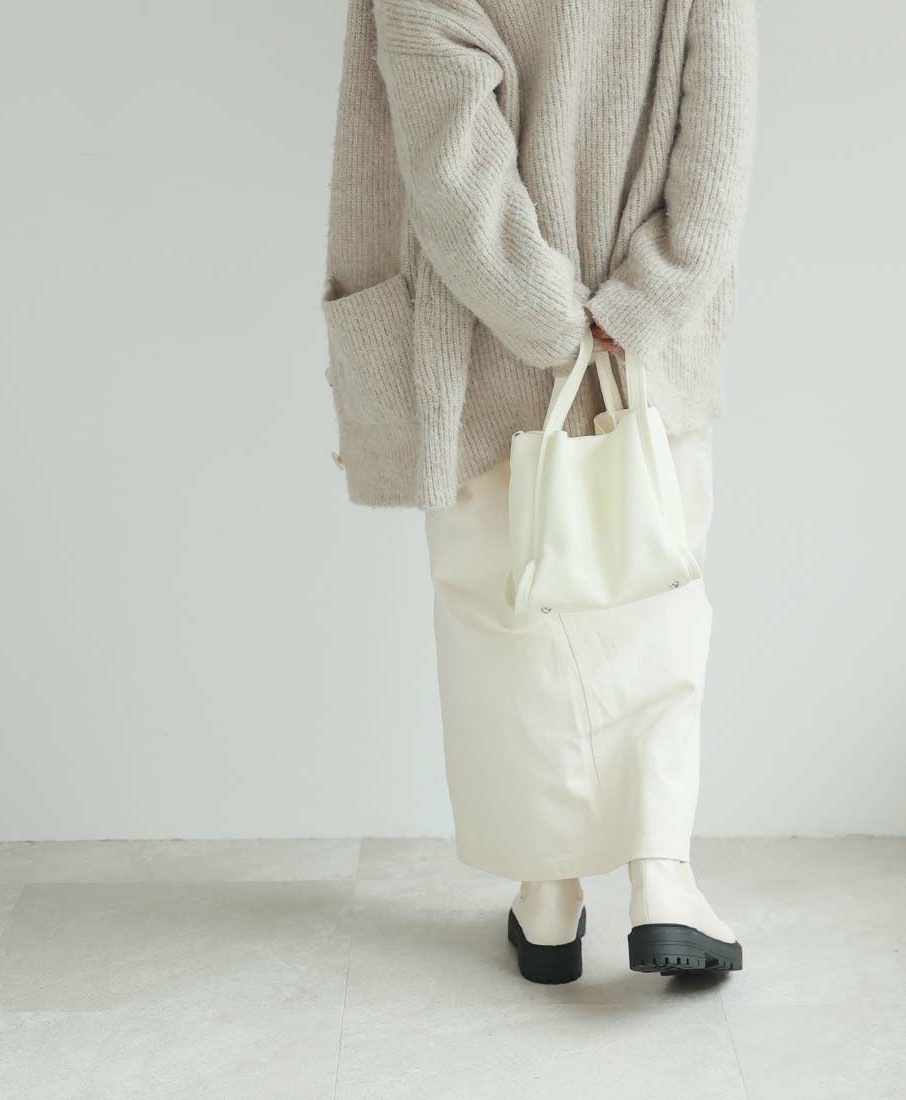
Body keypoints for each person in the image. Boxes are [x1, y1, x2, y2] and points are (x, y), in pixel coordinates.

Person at [322, 0, 758, 984]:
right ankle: (663, 876)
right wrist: (636, 306)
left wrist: (549, 318)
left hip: (480, 351)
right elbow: (717, 144)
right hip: (648, 359)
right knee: (656, 607)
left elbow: (451, 159)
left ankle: (548, 896)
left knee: (503, 621)